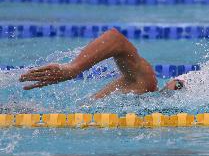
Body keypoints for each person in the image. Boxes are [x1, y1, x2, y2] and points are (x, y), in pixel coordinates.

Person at [19, 28, 184, 99]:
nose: (175, 84)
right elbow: (115, 38)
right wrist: (73, 69)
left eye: (179, 85)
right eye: (178, 82)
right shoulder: (145, 84)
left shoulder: (143, 92)